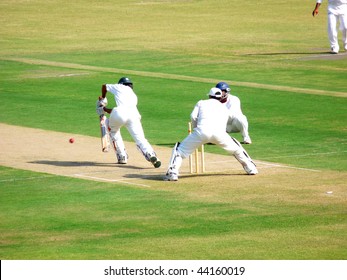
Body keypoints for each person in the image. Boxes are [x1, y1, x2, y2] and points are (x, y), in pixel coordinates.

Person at [164, 87, 258, 181]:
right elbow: (227, 119)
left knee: (179, 150)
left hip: (201, 132)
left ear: (209, 96)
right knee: (236, 149)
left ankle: (173, 173)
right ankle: (251, 168)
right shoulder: (224, 107)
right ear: (220, 97)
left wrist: (195, 128)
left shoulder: (201, 102)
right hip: (220, 134)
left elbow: (193, 116)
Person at [96, 77, 161, 168]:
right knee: (141, 139)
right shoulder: (134, 95)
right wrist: (105, 109)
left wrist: (103, 99)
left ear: (121, 83)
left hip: (119, 114)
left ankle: (122, 156)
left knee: (112, 130)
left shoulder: (119, 86)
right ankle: (151, 154)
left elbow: (104, 86)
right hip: (134, 116)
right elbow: (122, 111)